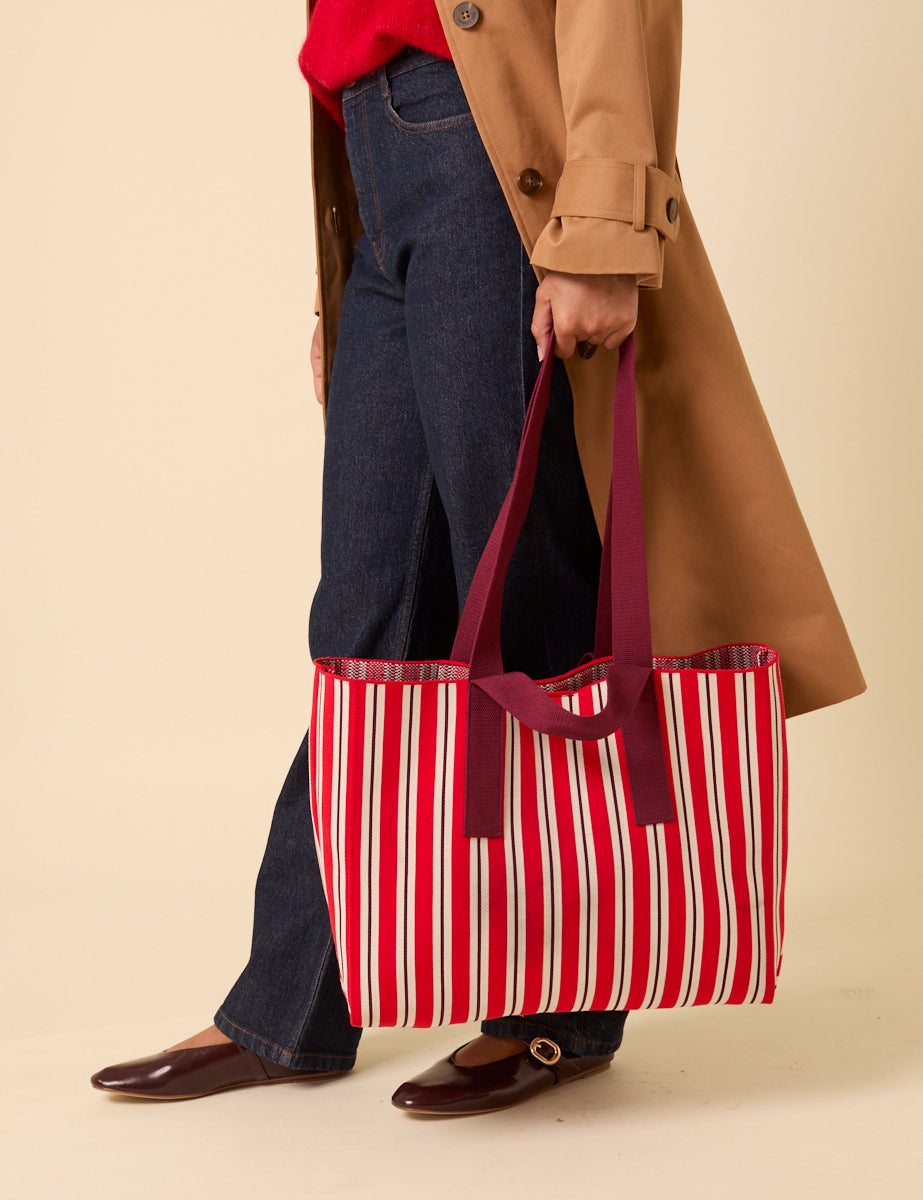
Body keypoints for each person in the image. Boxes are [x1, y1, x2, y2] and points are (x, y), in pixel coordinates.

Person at [90, 0, 865, 1115]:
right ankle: (294, 1004)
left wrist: (600, 232)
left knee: (527, 582)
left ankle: (561, 1003)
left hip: (485, 143)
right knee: (364, 623)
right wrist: (346, 258)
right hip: (377, 158)